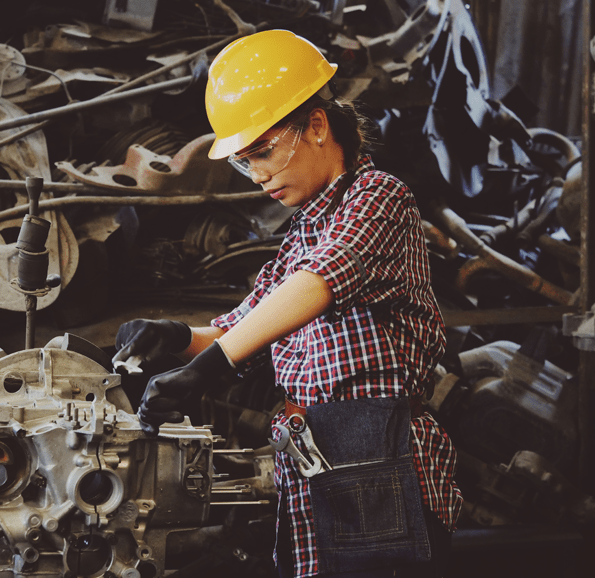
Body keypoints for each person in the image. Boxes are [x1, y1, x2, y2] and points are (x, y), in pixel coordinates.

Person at [112, 29, 463, 578]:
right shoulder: (300, 236)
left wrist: (206, 368)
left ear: (317, 126)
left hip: (379, 461)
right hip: (318, 460)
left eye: (264, 151)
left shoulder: (380, 199)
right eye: (244, 161)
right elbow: (243, 328)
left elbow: (318, 284)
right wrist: (177, 336)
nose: (257, 175)